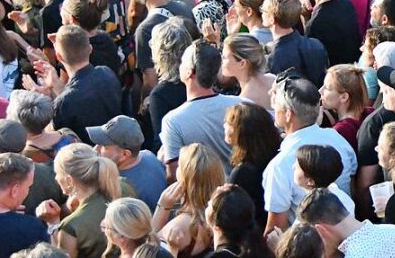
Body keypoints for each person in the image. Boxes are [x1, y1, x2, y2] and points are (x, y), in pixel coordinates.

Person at [264, 77, 357, 230]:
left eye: (277, 105)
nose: (274, 109)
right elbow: (352, 185)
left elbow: (275, 230)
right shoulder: (337, 139)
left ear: (288, 114)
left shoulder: (280, 164)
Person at [159, 41, 244, 176]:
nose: (179, 66)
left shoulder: (172, 121)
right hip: (239, 193)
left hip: (200, 195)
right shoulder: (241, 104)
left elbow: (173, 176)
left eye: (182, 62)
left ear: (189, 72)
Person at [88, 116, 167, 212]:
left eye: (104, 146)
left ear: (124, 154)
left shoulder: (124, 190)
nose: (96, 149)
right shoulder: (147, 154)